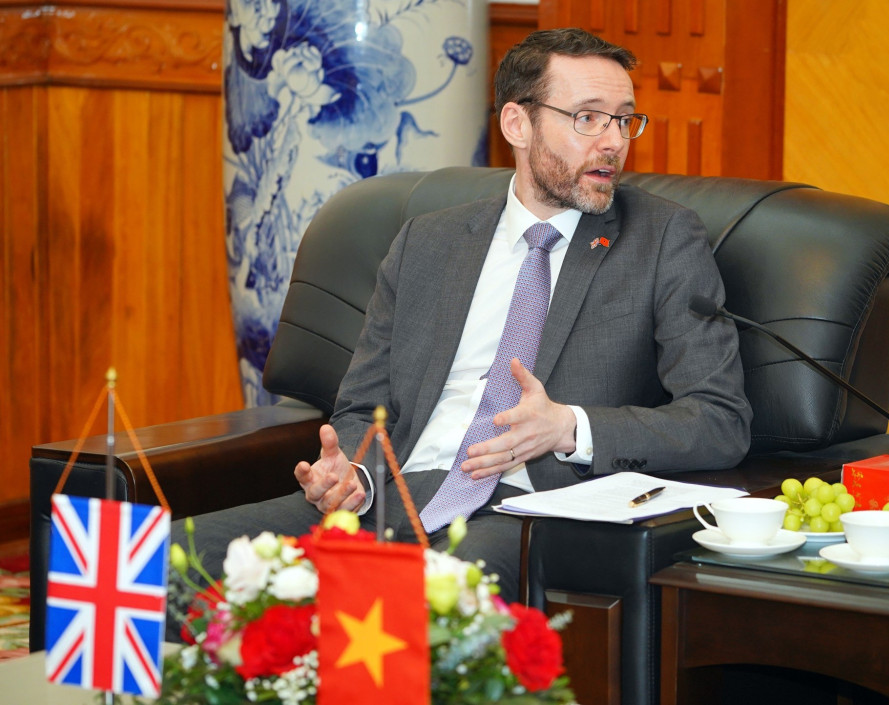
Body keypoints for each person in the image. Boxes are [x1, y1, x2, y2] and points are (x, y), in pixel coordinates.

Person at [170, 27, 751, 625]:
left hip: (525, 510)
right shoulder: (428, 241)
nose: (613, 142)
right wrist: (351, 473)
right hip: (389, 499)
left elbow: (720, 419)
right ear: (517, 124)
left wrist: (568, 428)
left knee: (414, 610)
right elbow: (363, 406)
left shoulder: (662, 240)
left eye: (624, 120)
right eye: (587, 118)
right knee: (155, 563)